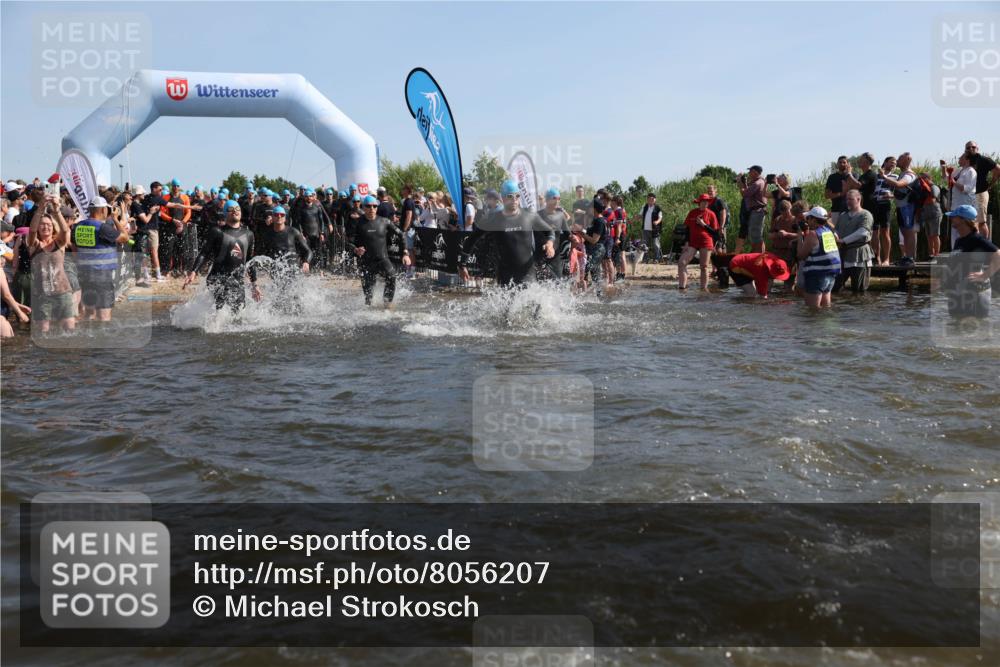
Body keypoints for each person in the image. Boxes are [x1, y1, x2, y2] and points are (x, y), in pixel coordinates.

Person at [459, 180, 554, 288]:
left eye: (517, 196)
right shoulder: (494, 219)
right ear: (503, 198)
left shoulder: (529, 216)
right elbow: (471, 239)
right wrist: (462, 265)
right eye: (510, 196)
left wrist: (550, 244)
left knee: (532, 304)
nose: (514, 199)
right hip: (505, 277)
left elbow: (549, 231)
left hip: (528, 276)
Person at [183, 200, 260, 312]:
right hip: (217, 277)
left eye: (237, 209)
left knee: (239, 312)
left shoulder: (249, 234)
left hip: (237, 279)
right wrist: (194, 271)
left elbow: (249, 260)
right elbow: (204, 253)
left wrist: (254, 284)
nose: (235, 211)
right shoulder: (216, 231)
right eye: (230, 209)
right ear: (225, 213)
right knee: (221, 310)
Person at [71, 196, 129, 321]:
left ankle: (88, 338)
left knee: (89, 313)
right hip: (101, 275)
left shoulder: (77, 227)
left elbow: (74, 249)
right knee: (104, 316)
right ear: (103, 210)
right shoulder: (103, 228)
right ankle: (102, 339)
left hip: (83, 274)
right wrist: (115, 219)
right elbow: (125, 237)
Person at [347, 195, 410, 306]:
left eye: (374, 206)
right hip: (366, 262)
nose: (372, 209)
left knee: (392, 276)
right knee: (368, 297)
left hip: (382, 259)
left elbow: (401, 235)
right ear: (364, 207)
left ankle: (387, 305)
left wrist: (405, 252)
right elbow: (348, 242)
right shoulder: (357, 223)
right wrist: (355, 249)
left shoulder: (384, 221)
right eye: (369, 206)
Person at [941, 204, 1000, 319]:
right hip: (958, 293)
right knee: (956, 329)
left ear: (964, 220)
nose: (951, 218)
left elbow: (998, 255)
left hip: (975, 294)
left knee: (974, 331)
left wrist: (984, 275)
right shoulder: (959, 241)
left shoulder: (977, 239)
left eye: (955, 216)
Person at [27, 194, 75, 332]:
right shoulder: (34, 244)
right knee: (43, 331)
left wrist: (56, 210)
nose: (45, 227)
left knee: (69, 329)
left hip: (63, 291)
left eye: (48, 225)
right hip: (43, 294)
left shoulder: (59, 243)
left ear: (53, 227)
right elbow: (32, 231)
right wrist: (40, 210)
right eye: (42, 225)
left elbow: (65, 230)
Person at [796, 206, 841, 309]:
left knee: (813, 311)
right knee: (825, 308)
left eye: (808, 218)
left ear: (814, 219)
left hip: (817, 275)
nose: (807, 221)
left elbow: (801, 256)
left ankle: (815, 326)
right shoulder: (829, 232)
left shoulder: (813, 234)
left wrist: (799, 236)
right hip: (831, 275)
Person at [833, 189, 874, 294]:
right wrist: (835, 236)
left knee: (859, 290)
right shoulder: (843, 215)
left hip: (859, 255)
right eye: (847, 199)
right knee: (835, 288)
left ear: (858, 199)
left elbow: (863, 232)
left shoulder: (865, 214)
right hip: (843, 255)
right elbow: (836, 229)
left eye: (850, 199)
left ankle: (858, 309)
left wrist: (843, 241)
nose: (848, 202)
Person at [881, 152, 917, 266]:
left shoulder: (909, 174)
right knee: (905, 232)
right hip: (901, 207)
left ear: (906, 160)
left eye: (900, 159)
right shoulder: (902, 173)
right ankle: (906, 256)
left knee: (909, 232)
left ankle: (910, 258)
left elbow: (899, 184)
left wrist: (884, 177)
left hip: (907, 207)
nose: (897, 161)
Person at [678, 194, 720, 291]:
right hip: (692, 242)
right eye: (703, 201)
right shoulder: (692, 213)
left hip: (706, 242)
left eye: (707, 201)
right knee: (681, 262)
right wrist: (686, 243)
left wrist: (704, 225)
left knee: (704, 266)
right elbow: (687, 229)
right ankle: (681, 288)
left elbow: (715, 232)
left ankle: (703, 290)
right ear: (699, 202)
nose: (705, 203)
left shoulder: (711, 214)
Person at [964, 141, 1000, 238]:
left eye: (973, 147)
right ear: (965, 150)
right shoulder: (966, 161)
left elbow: (998, 170)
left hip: (981, 193)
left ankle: (985, 247)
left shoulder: (983, 160)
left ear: (977, 148)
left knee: (981, 222)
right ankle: (976, 246)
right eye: (968, 148)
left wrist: (991, 184)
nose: (971, 149)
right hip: (969, 195)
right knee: (971, 222)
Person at [290, 188, 332, 271]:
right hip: (306, 235)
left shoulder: (317, 207)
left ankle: (321, 270)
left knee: (319, 253)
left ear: (313, 197)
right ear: (304, 197)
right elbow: (298, 222)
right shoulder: (301, 209)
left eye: (310, 196)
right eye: (306, 196)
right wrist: (301, 234)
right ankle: (309, 268)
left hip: (316, 234)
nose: (308, 198)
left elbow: (321, 221)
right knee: (307, 252)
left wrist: (322, 233)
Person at [537, 187, 571, 280]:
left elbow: (567, 233)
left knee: (557, 284)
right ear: (547, 200)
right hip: (541, 255)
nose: (557, 201)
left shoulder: (560, 216)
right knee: (541, 284)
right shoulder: (538, 215)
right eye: (554, 198)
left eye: (558, 198)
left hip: (556, 256)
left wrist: (575, 239)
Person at [949, 152, 978, 250]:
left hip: (965, 207)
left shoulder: (971, 171)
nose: (958, 159)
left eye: (961, 157)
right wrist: (943, 168)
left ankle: (966, 252)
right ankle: (955, 252)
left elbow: (967, 189)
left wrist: (954, 183)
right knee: (955, 230)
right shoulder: (959, 170)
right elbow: (946, 178)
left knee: (965, 230)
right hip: (956, 206)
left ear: (967, 160)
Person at [871, 156, 896, 266]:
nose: (893, 165)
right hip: (873, 205)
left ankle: (886, 259)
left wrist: (890, 195)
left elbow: (897, 192)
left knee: (885, 232)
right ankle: (877, 258)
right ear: (884, 163)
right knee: (874, 232)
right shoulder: (875, 176)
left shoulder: (895, 176)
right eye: (891, 162)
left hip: (885, 205)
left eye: (895, 163)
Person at [737, 165, 767, 253]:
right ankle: (759, 255)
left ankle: (759, 256)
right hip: (756, 211)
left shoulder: (758, 183)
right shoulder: (758, 182)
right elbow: (749, 192)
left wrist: (740, 183)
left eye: (750, 171)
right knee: (755, 235)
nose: (749, 173)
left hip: (757, 211)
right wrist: (745, 183)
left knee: (756, 236)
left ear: (755, 172)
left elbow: (745, 194)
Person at [913, 172, 942, 258]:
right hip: (926, 214)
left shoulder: (934, 187)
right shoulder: (923, 189)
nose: (921, 180)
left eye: (923, 178)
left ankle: (937, 255)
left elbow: (932, 199)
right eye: (920, 178)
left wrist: (922, 200)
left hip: (935, 213)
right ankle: (931, 254)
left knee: (935, 235)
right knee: (929, 236)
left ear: (929, 178)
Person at [768, 199, 798, 273]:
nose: (786, 215)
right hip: (777, 252)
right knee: (772, 274)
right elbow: (769, 235)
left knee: (789, 276)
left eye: (787, 212)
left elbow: (802, 235)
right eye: (783, 213)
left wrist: (787, 234)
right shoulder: (777, 219)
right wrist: (776, 235)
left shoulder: (796, 220)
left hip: (790, 253)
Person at [825, 156, 851, 224]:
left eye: (844, 162)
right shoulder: (832, 177)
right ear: (837, 164)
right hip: (836, 209)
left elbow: (858, 189)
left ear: (848, 164)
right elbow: (827, 195)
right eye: (840, 162)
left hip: (850, 209)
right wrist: (841, 194)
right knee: (836, 232)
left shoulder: (853, 176)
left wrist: (849, 174)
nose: (842, 164)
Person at [639, 192, 663, 262]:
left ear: (655, 200)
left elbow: (660, 217)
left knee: (656, 244)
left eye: (652, 199)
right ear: (647, 199)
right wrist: (634, 219)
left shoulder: (658, 208)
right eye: (649, 198)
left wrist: (657, 222)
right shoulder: (645, 206)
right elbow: (640, 215)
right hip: (645, 229)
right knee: (644, 244)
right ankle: (645, 258)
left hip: (655, 229)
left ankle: (657, 258)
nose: (651, 200)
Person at [706, 184, 729, 253]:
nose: (710, 192)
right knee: (715, 245)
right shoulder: (709, 202)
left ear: (715, 191)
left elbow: (723, 214)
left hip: (720, 226)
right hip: (712, 227)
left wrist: (721, 227)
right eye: (708, 191)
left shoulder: (719, 201)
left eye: (711, 191)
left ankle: (723, 262)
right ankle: (717, 262)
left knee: (721, 244)